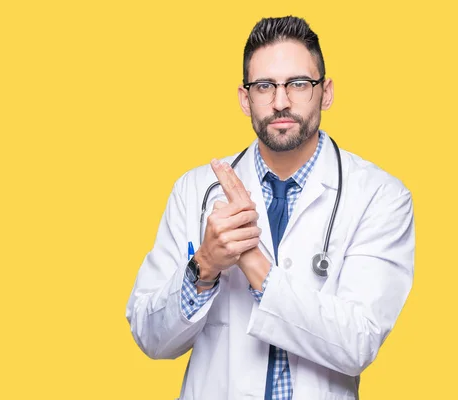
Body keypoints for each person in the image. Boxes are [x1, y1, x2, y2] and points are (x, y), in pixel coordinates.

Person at [125, 16, 414, 400]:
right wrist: (206, 265)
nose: (280, 102)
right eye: (265, 86)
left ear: (325, 92)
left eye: (298, 84)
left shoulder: (380, 196)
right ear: (246, 99)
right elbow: (150, 337)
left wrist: (251, 260)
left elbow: (358, 344)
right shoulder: (193, 191)